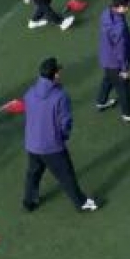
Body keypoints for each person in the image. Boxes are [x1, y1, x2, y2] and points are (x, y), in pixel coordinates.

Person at [21, 58, 100, 213]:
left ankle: (29, 201)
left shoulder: (30, 92)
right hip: (52, 146)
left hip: (32, 143)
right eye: (58, 71)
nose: (60, 73)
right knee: (66, 175)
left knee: (33, 173)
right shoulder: (60, 96)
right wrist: (62, 137)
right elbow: (65, 122)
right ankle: (81, 203)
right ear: (54, 75)